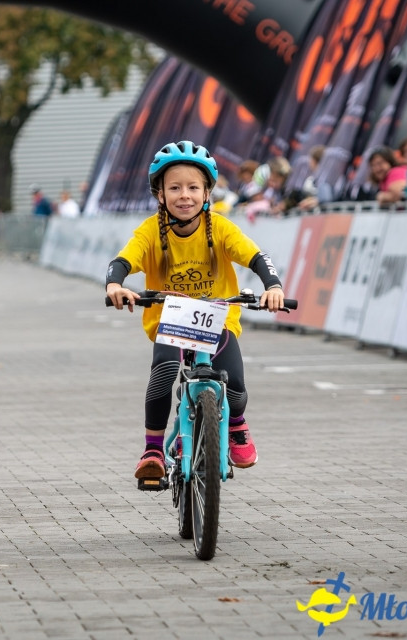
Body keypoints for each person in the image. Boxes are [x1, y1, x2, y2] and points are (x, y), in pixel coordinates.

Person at [104, 141, 285, 482]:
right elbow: (122, 261)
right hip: (170, 319)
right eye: (174, 188)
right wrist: (115, 285)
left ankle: (236, 425)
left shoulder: (220, 227)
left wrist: (273, 287)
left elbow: (257, 257)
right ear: (160, 194)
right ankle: (153, 449)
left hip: (217, 319)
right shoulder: (150, 232)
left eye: (192, 187)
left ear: (206, 194)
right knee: (165, 368)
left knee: (235, 385)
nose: (183, 195)